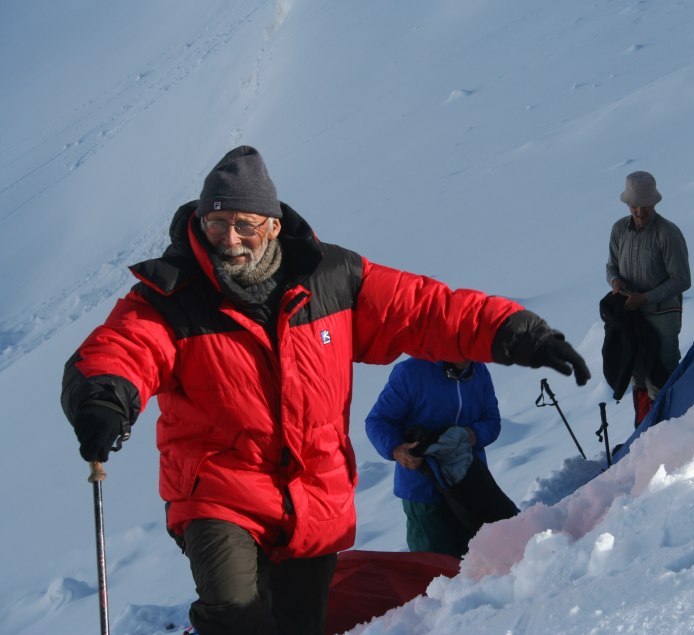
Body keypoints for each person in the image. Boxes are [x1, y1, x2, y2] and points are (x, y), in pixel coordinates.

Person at [60, 145, 590, 635]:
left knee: (299, 625)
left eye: (243, 224)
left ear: (271, 223)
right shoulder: (171, 293)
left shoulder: (333, 277)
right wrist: (104, 396)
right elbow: (125, 346)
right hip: (218, 489)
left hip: (314, 494)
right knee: (233, 616)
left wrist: (515, 333)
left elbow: (426, 310)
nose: (229, 238)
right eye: (216, 222)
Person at [365, 358, 515, 558]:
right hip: (424, 493)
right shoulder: (411, 372)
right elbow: (378, 420)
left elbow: (492, 421)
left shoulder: (479, 372)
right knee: (435, 573)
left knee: (483, 565)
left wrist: (473, 434)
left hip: (469, 484)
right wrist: (396, 449)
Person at [605, 170, 691, 426]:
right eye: (635, 207)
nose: (640, 212)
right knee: (637, 375)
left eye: (645, 207)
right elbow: (611, 267)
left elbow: (682, 280)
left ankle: (669, 430)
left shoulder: (668, 233)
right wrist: (615, 282)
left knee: (661, 374)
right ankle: (644, 432)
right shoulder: (620, 230)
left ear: (654, 203)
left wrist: (646, 298)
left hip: (662, 316)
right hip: (631, 315)